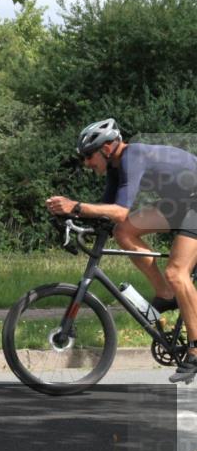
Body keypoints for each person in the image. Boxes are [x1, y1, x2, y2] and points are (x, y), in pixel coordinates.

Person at [45, 118, 197, 382]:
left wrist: (75, 206)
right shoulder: (116, 169)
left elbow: (120, 210)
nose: (86, 164)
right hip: (179, 204)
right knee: (124, 231)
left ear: (106, 148)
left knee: (177, 271)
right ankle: (166, 294)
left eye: (88, 156)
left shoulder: (132, 155)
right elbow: (108, 215)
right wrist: (69, 219)